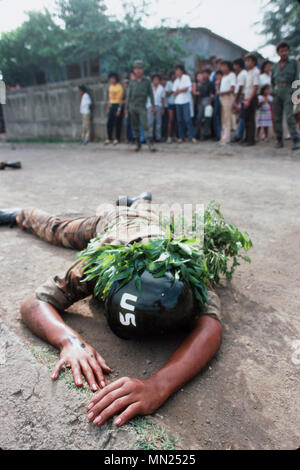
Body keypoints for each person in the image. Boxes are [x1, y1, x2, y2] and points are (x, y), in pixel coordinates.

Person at [0, 194, 222, 428]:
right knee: (57, 229)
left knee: (148, 211)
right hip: (112, 222)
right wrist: (70, 342)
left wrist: (159, 385)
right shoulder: (101, 264)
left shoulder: (186, 270)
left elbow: (211, 324)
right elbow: (34, 302)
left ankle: (140, 201)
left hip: (152, 221)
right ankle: (20, 214)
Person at [272, 40, 300, 150]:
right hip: (278, 91)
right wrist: (273, 92)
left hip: (289, 90)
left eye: (286, 50)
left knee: (289, 116)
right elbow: (272, 81)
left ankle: (296, 139)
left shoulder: (293, 63)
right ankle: (279, 140)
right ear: (278, 53)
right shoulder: (275, 66)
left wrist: (296, 94)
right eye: (281, 51)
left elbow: (297, 79)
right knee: (277, 117)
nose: (284, 53)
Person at [125, 60, 156, 152]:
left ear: (142, 70)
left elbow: (151, 94)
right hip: (132, 106)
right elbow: (128, 95)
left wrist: (153, 105)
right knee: (134, 125)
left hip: (142, 106)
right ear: (134, 70)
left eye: (140, 68)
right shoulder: (132, 82)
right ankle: (138, 144)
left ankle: (150, 144)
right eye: (136, 69)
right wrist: (126, 108)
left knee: (145, 124)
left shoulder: (147, 81)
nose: (138, 70)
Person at [173, 64, 197, 143]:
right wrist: (180, 90)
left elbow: (186, 89)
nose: (177, 72)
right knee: (180, 120)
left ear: (182, 71)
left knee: (187, 119)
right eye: (176, 71)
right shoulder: (176, 81)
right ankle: (181, 137)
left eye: (178, 70)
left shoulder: (186, 78)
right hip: (178, 102)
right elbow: (174, 92)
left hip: (186, 101)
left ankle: (192, 136)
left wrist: (179, 90)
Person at [242, 54, 260, 147]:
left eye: (248, 61)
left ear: (253, 62)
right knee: (246, 119)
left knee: (250, 120)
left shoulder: (256, 72)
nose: (247, 63)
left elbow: (255, 87)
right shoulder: (248, 72)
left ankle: (251, 140)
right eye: (246, 61)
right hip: (247, 97)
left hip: (252, 98)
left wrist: (249, 100)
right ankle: (247, 138)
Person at [104, 73, 125, 146]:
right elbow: (109, 99)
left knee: (117, 123)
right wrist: (107, 108)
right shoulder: (110, 87)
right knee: (109, 122)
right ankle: (109, 138)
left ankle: (117, 138)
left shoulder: (119, 87)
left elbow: (121, 99)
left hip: (117, 105)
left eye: (113, 78)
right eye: (111, 79)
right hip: (111, 105)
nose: (112, 80)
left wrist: (119, 109)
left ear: (116, 79)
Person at [218, 61, 236, 144]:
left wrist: (222, 93)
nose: (223, 68)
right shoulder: (224, 76)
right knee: (223, 118)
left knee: (227, 117)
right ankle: (223, 137)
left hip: (227, 97)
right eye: (222, 66)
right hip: (222, 97)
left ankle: (227, 138)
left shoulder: (232, 75)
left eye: (224, 66)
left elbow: (232, 89)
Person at [194, 68, 214, 140]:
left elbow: (211, 94)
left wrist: (210, 103)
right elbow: (199, 94)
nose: (204, 75)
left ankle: (206, 134)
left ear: (208, 75)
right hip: (201, 100)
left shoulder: (211, 83)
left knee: (207, 118)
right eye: (203, 73)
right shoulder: (202, 83)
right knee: (199, 118)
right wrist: (199, 103)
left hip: (207, 99)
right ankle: (197, 134)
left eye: (206, 73)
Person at [232, 58, 248, 143]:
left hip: (242, 97)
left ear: (238, 65)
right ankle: (240, 135)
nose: (234, 67)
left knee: (242, 117)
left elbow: (240, 88)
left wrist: (236, 100)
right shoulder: (243, 73)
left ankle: (239, 135)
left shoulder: (242, 74)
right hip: (242, 97)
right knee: (242, 118)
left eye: (235, 65)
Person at [147, 74, 165, 142]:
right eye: (155, 79)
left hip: (158, 106)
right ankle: (150, 137)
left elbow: (163, 99)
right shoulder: (149, 87)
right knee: (150, 122)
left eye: (157, 79)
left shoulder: (161, 88)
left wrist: (163, 108)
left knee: (158, 123)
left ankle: (158, 137)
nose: (156, 81)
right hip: (150, 105)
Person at [165, 71, 177, 143]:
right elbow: (167, 94)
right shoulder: (169, 83)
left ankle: (175, 136)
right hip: (170, 103)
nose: (174, 76)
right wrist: (173, 91)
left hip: (177, 103)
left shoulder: (178, 82)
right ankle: (169, 136)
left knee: (176, 121)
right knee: (170, 120)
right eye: (172, 75)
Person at [212, 70, 223, 141]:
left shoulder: (223, 83)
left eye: (219, 75)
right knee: (216, 117)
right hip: (215, 101)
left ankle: (220, 135)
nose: (218, 77)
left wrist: (218, 86)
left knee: (220, 117)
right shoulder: (215, 83)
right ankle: (217, 134)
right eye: (217, 75)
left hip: (221, 101)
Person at [123, 78, 134, 143]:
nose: (126, 84)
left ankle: (133, 138)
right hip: (127, 109)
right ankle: (128, 138)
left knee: (132, 125)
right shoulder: (124, 90)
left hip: (132, 109)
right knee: (127, 124)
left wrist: (125, 101)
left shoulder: (131, 90)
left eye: (127, 83)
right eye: (125, 83)